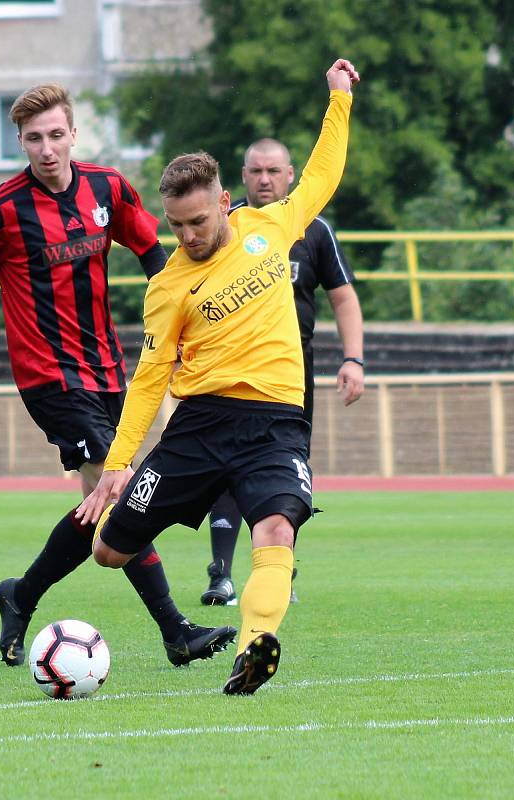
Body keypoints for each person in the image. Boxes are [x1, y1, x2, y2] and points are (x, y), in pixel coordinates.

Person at [77, 59, 359, 695]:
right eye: (175, 225)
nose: (187, 236)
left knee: (278, 526)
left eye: (197, 222)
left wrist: (338, 99)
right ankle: (181, 616)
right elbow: (149, 377)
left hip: (276, 424)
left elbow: (323, 173)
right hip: (198, 428)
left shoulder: (273, 226)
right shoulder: (168, 285)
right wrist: (119, 463)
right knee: (107, 550)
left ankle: (256, 647)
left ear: (225, 201)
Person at [0, 83, 235, 669]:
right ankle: (176, 631)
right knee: (118, 489)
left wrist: (181, 320)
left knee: (102, 506)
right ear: (19, 142)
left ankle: (20, 595)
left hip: (109, 371)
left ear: (73, 134)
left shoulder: (108, 188)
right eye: (33, 139)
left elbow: (154, 252)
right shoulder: (1, 208)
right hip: (48, 377)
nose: (46, 149)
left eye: (56, 135)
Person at [201, 137, 365, 607]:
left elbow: (344, 298)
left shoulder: (312, 230)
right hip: (232, 369)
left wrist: (352, 359)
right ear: (243, 175)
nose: (265, 179)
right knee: (225, 466)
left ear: (291, 175)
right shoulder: (224, 227)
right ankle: (221, 575)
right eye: (256, 171)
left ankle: (278, 573)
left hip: (293, 374)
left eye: (274, 171)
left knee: (284, 472)